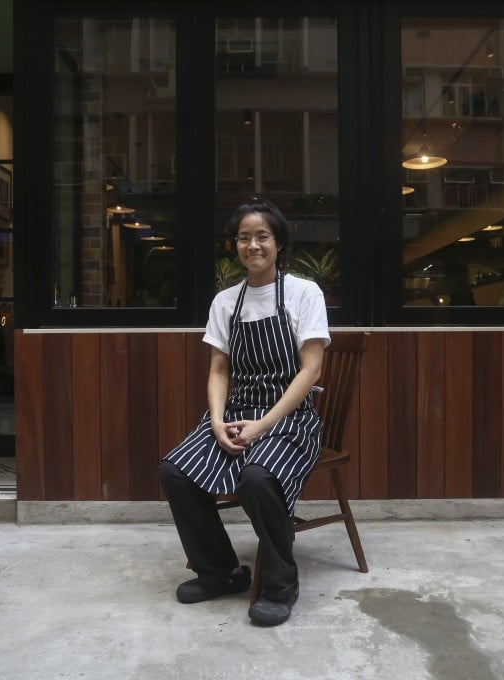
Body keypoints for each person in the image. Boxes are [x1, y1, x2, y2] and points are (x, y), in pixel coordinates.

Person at [158, 200, 330, 627]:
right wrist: (217, 422)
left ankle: (280, 584)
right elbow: (218, 369)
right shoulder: (225, 302)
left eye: (262, 236)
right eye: (243, 237)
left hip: (289, 418)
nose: (252, 245)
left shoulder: (304, 293)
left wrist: (262, 426)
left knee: (257, 477)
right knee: (174, 473)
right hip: (236, 414)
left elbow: (311, 370)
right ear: (234, 245)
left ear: (279, 243)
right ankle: (220, 573)